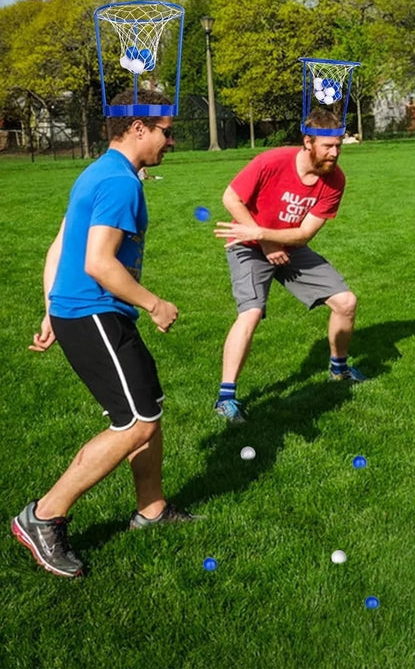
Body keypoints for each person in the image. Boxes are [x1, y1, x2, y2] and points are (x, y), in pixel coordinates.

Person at [12, 89, 194, 579]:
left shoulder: (100, 172)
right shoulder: (120, 184)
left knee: (147, 407)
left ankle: (151, 509)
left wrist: (50, 308)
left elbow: (60, 242)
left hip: (81, 313)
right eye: (165, 130)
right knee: (135, 422)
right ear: (138, 128)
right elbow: (97, 262)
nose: (170, 140)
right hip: (94, 313)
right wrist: (154, 303)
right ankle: (43, 515)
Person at [212, 108, 366, 424]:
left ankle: (339, 369)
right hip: (247, 244)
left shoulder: (335, 180)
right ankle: (225, 398)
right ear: (307, 142)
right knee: (251, 312)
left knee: (346, 302)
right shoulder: (272, 161)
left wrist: (270, 239)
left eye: (338, 145)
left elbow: (305, 233)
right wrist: (263, 241)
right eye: (328, 146)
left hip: (289, 246)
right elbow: (230, 198)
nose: (335, 152)